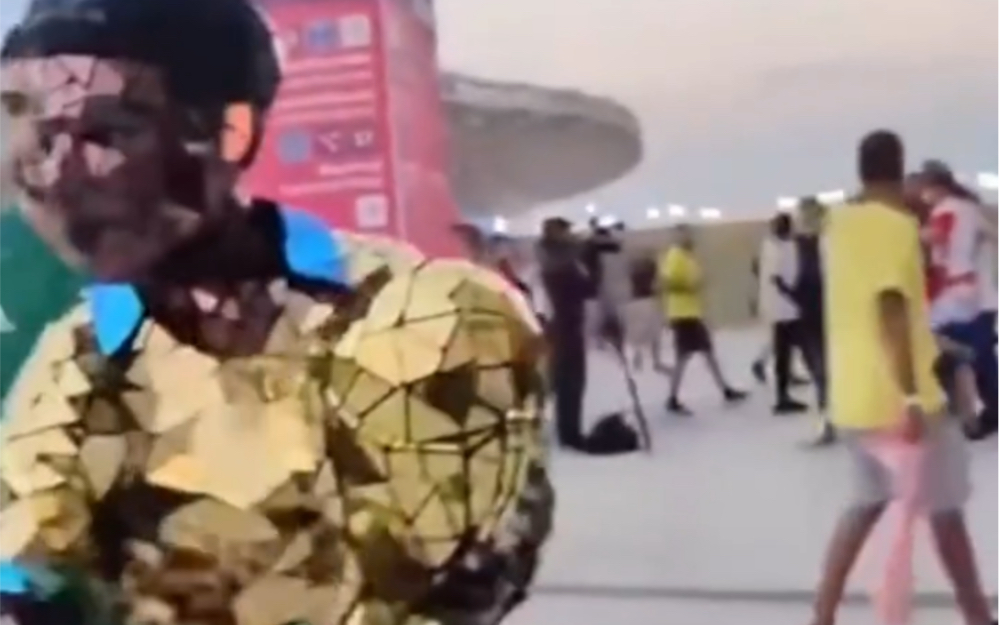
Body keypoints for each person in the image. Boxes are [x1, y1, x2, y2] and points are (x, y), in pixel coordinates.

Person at [0, 2, 553, 624]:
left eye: (108, 132)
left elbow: (458, 579)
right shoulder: (74, 363)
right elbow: (29, 566)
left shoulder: (432, 319)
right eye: (31, 132)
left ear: (231, 133)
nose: (54, 175)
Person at [812, 130, 993, 625]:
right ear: (899, 168)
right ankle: (978, 615)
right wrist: (911, 396)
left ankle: (822, 613)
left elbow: (869, 306)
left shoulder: (837, 226)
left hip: (852, 397)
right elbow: (889, 307)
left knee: (865, 502)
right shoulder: (894, 228)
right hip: (899, 401)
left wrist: (935, 345)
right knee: (947, 510)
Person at [918, 163, 998, 441]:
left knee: (959, 355)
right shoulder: (971, 209)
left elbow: (939, 237)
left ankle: (973, 413)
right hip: (972, 291)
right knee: (979, 355)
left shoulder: (946, 210)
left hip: (952, 294)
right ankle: (983, 408)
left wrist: (911, 234)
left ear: (937, 186)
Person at [657, 224, 747, 415]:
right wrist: (691, 286)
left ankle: (724, 390)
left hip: (692, 312)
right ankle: (673, 398)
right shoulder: (674, 256)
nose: (689, 238)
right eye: (684, 235)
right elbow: (667, 283)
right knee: (686, 357)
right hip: (683, 314)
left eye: (689, 234)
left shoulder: (688, 256)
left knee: (704, 353)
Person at [537, 217, 592, 450]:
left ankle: (567, 431)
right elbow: (586, 289)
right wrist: (586, 254)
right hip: (564, 326)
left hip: (563, 325)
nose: (570, 234)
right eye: (566, 231)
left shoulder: (557, 259)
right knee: (569, 380)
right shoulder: (558, 261)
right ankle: (569, 433)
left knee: (564, 381)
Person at [757, 212, 808, 414]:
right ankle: (782, 396)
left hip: (785, 310)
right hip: (786, 310)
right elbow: (776, 279)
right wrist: (797, 297)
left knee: (784, 354)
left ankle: (783, 394)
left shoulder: (778, 246)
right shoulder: (776, 248)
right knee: (796, 351)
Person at [795, 197, 833, 444]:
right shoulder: (800, 245)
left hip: (823, 312)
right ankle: (827, 421)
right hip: (811, 314)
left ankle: (828, 422)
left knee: (823, 371)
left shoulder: (824, 243)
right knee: (820, 372)